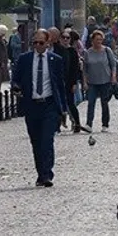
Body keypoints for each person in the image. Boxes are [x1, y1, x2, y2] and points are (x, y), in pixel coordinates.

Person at [11, 29, 68, 187]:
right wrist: (16, 87)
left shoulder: (55, 60)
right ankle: (40, 173)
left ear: (48, 43)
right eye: (34, 43)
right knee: (36, 141)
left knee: (47, 140)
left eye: (41, 43)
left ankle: (47, 174)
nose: (37, 46)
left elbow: (60, 85)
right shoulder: (25, 59)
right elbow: (16, 78)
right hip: (32, 105)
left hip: (49, 104)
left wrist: (63, 109)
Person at [82, 30, 118, 132]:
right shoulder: (88, 53)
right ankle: (89, 124)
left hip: (105, 81)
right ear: (92, 40)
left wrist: (113, 76)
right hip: (92, 82)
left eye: (100, 39)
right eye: (97, 39)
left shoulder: (107, 50)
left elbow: (113, 65)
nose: (99, 41)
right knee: (91, 103)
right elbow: (85, 69)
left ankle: (105, 124)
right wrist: (84, 82)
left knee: (104, 103)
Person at [49, 28, 84, 133]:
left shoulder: (72, 51)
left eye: (67, 38)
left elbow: (74, 68)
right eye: (63, 37)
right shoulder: (57, 49)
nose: (65, 39)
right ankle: (57, 125)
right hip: (58, 80)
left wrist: (74, 83)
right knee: (57, 103)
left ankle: (77, 123)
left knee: (70, 102)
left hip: (69, 81)